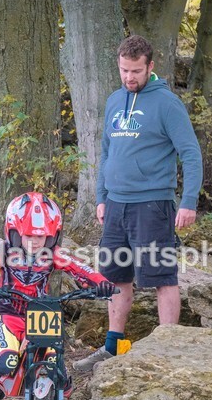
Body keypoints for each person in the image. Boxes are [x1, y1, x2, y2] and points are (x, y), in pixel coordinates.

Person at [74, 35, 203, 372]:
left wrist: (188, 202)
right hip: (116, 206)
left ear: (150, 67)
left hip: (152, 205)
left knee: (162, 276)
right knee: (116, 277)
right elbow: (106, 152)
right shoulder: (115, 101)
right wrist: (101, 197)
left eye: (135, 71)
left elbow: (190, 153)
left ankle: (167, 351)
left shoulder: (167, 104)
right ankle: (113, 347)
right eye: (123, 70)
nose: (129, 77)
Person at [0, 192, 115, 400]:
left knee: (59, 370)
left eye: (41, 236)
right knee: (7, 361)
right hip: (9, 312)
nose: (35, 241)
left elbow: (82, 269)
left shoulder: (54, 254)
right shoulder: (1, 250)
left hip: (43, 313)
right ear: (14, 231)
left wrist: (102, 284)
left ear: (52, 235)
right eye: (29, 235)